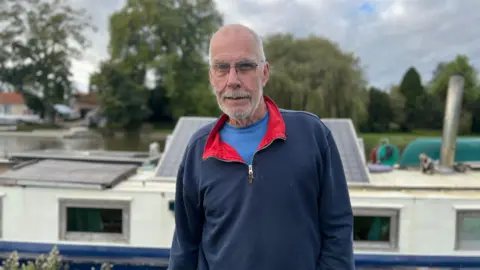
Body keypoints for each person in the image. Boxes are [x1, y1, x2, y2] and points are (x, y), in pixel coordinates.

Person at [168, 24, 355, 270]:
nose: (233, 81)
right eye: (222, 68)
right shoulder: (198, 150)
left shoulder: (312, 135)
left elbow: (338, 229)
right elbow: (185, 245)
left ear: (264, 73)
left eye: (245, 67)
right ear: (212, 77)